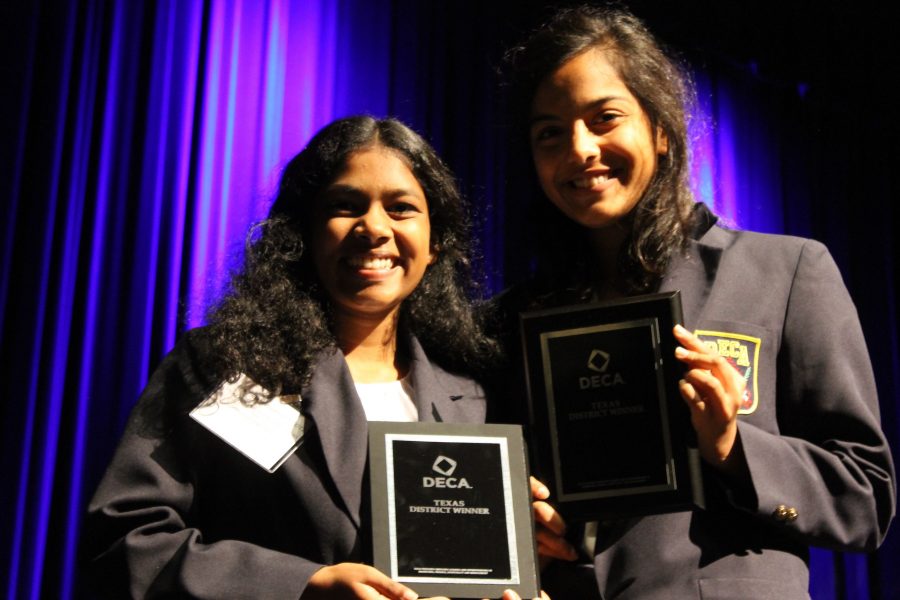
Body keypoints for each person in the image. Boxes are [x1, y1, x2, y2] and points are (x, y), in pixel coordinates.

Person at [495, 6, 896, 599]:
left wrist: (733, 446)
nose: (579, 149)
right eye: (549, 132)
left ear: (660, 129)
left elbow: (864, 497)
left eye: (605, 118)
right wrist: (519, 525)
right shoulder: (511, 320)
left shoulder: (785, 271)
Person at [84, 116, 539, 600]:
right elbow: (126, 540)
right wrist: (306, 585)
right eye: (346, 206)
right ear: (303, 232)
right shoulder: (224, 368)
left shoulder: (471, 395)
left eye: (402, 208)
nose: (374, 228)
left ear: (435, 243)